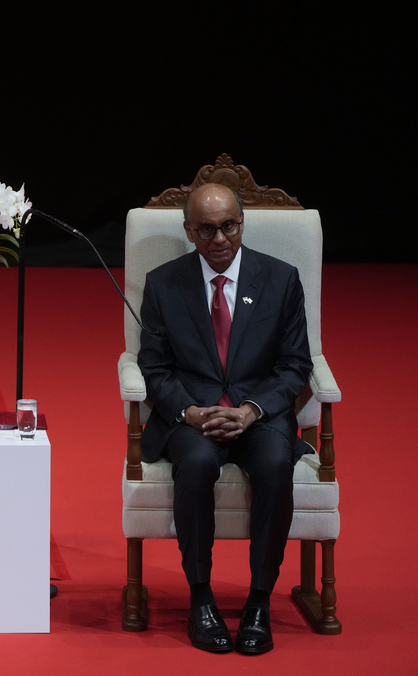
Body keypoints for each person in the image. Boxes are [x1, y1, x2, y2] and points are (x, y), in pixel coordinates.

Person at [137, 183, 312, 655]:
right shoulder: (163, 283)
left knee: (276, 464)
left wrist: (252, 410)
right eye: (207, 229)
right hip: (195, 416)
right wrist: (189, 412)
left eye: (228, 226)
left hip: (259, 413)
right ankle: (200, 597)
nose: (219, 239)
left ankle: (259, 600)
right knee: (193, 465)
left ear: (242, 223)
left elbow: (295, 364)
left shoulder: (280, 279)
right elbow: (153, 367)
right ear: (189, 231)